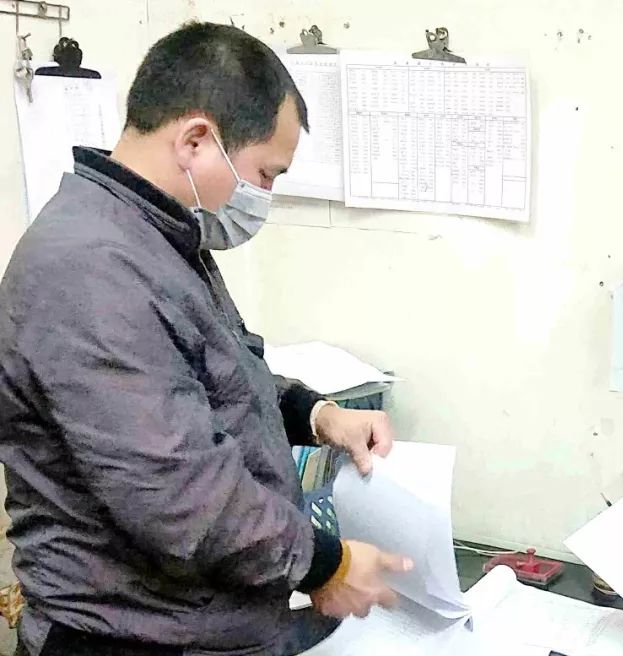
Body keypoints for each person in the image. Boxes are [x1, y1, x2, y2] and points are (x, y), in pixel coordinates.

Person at [0, 22, 411, 656]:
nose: (265, 196)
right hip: (131, 639)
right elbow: (178, 494)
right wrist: (327, 565)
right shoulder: (87, 267)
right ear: (196, 140)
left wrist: (316, 414)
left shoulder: (154, 237)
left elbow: (213, 375)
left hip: (203, 625)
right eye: (265, 173)